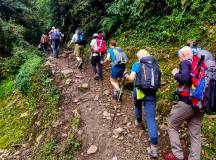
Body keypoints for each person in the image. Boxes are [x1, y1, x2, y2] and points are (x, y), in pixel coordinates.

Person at [164, 46, 204, 160]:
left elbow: (186, 78)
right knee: (195, 135)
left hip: (187, 103)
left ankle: (177, 156)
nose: (179, 58)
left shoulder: (185, 63)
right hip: (200, 104)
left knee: (172, 125)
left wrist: (175, 74)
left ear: (183, 55)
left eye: (179, 56)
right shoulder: (200, 65)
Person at [124, 49, 160, 158]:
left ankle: (139, 121)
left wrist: (125, 74)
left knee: (137, 105)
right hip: (151, 93)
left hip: (139, 91)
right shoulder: (155, 64)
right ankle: (154, 147)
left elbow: (131, 78)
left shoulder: (137, 64)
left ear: (139, 56)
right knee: (150, 118)